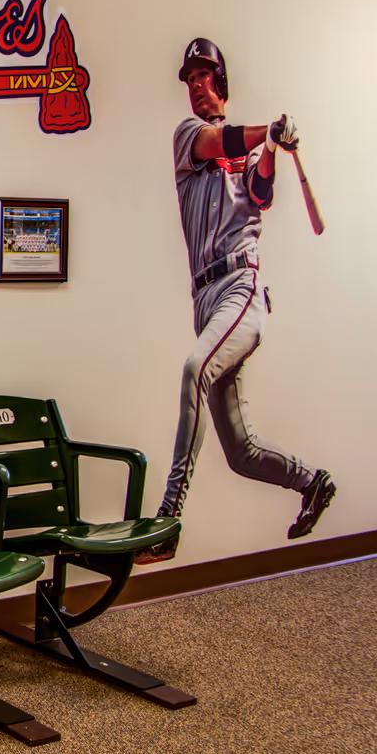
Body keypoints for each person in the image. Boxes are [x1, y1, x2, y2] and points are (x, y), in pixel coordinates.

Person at [139, 38, 334, 564]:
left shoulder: (247, 152)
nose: (196, 83)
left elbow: (262, 194)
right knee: (241, 453)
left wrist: (271, 149)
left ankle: (167, 520)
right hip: (205, 297)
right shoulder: (189, 137)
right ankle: (312, 482)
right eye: (190, 77)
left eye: (204, 74)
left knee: (193, 370)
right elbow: (218, 142)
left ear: (220, 80)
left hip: (240, 290)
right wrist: (265, 132)